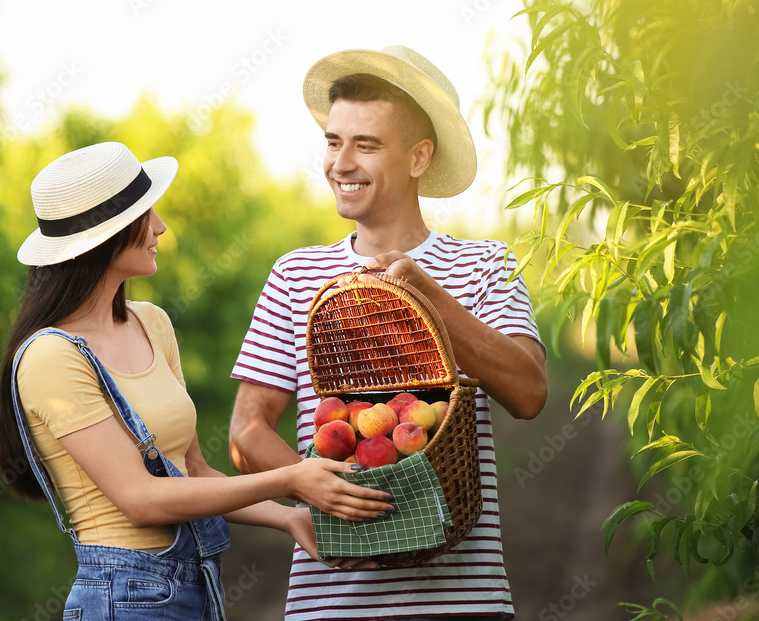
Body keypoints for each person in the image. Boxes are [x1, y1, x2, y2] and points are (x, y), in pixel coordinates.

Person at [0, 141, 393, 621]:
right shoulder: (50, 355)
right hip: (122, 596)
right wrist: (290, 479)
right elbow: (141, 500)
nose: (160, 226)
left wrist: (289, 517)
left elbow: (195, 473)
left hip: (198, 584)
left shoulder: (151, 323)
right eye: (146, 213)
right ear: (106, 236)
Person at [228, 46, 548, 620]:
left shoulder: (484, 267)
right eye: (333, 142)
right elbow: (246, 432)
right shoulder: (294, 275)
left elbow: (529, 393)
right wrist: (310, 485)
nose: (341, 163)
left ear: (419, 156)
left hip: (462, 602)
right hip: (331, 604)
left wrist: (430, 297)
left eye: (366, 145)